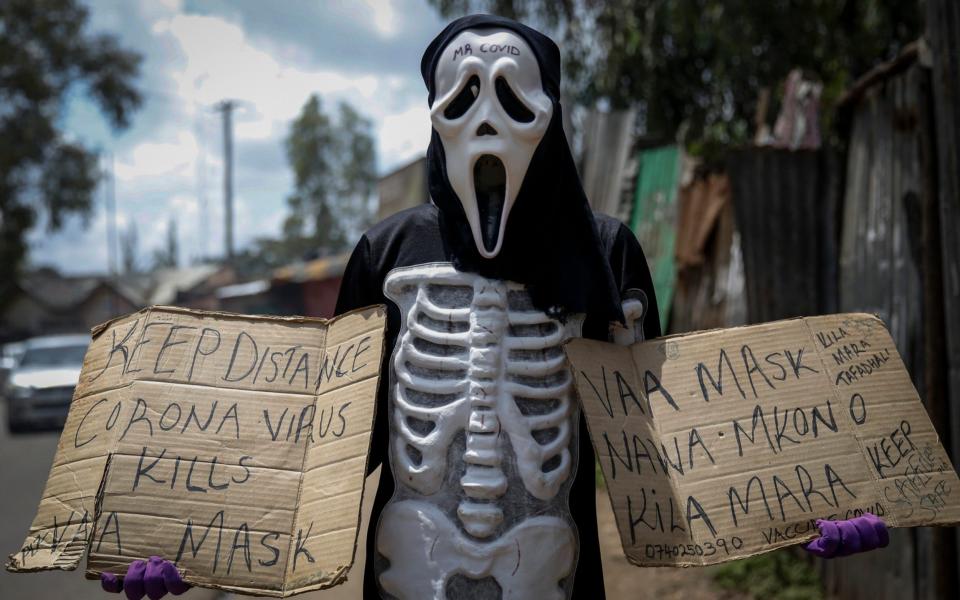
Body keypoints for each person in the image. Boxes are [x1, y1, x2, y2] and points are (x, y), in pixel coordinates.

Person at [101, 14, 888, 600]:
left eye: (513, 98)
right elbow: (332, 444)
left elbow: (660, 439)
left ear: (551, 119)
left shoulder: (604, 250)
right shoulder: (387, 252)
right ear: (435, 116)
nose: (484, 118)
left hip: (552, 573)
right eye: (462, 97)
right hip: (407, 566)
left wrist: (799, 507)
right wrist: (190, 538)